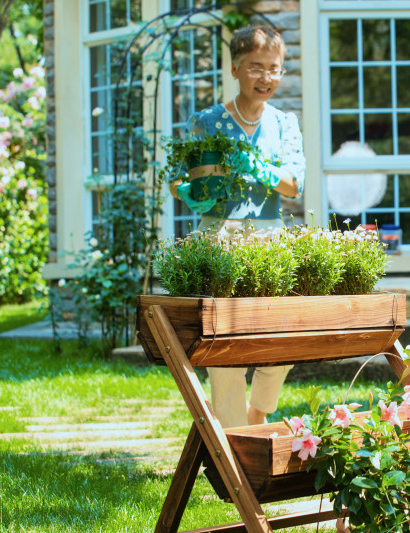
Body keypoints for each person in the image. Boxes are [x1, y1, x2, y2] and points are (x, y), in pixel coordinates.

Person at [168, 25, 305, 428]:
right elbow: (179, 177)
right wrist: (191, 193)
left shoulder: (284, 124)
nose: (266, 78)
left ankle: (257, 411)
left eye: (274, 69)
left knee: (282, 338)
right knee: (222, 345)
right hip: (218, 236)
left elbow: (295, 183)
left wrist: (258, 167)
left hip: (269, 240)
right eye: (255, 67)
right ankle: (233, 444)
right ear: (234, 68)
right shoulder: (207, 121)